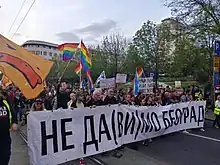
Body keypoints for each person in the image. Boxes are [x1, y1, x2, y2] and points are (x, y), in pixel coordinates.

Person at [0, 89, 18, 165]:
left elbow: (12, 112)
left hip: (5, 134)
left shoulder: (5, 102)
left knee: (6, 155)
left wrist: (14, 122)